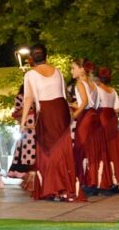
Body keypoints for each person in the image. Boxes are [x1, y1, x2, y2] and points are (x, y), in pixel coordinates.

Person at [21, 45, 82, 201]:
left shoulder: (30, 74)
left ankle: (51, 188)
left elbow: (29, 98)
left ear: (32, 59)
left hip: (47, 110)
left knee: (47, 149)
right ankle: (65, 188)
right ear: (46, 56)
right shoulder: (58, 71)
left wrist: (22, 121)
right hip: (60, 109)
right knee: (62, 148)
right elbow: (64, 94)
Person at [71, 59, 113, 194]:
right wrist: (74, 105)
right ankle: (97, 181)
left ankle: (87, 182)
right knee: (95, 149)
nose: (71, 71)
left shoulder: (80, 83)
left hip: (86, 118)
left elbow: (84, 102)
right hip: (94, 116)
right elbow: (93, 103)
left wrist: (74, 114)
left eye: (73, 68)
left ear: (82, 69)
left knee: (82, 148)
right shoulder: (94, 84)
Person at [94, 67, 119, 191]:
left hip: (102, 120)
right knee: (114, 150)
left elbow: (94, 106)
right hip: (112, 120)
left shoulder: (97, 89)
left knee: (103, 150)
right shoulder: (113, 90)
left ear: (97, 78)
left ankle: (106, 180)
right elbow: (117, 108)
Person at [7, 85, 37, 183]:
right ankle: (26, 175)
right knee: (26, 149)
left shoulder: (39, 95)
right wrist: (29, 108)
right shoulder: (20, 97)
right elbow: (16, 113)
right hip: (27, 128)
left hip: (39, 127)